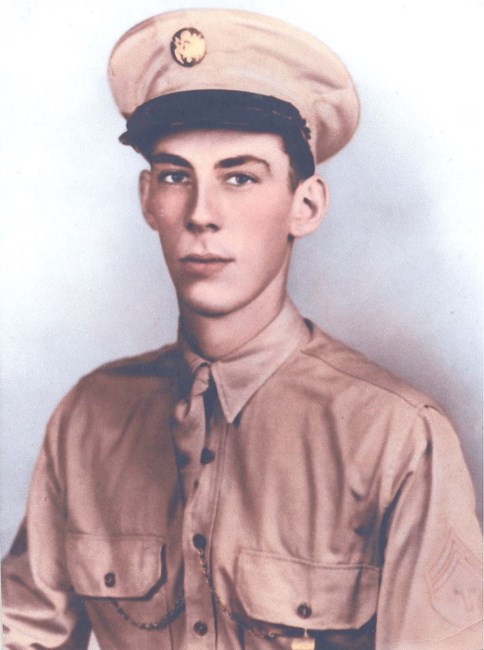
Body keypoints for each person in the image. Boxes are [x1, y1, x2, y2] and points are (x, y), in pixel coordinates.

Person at [1, 8, 482, 650]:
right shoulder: (89, 418)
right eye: (176, 176)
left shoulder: (394, 436)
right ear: (148, 200)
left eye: (240, 177)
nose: (202, 214)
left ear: (305, 205)